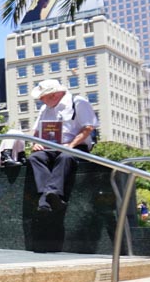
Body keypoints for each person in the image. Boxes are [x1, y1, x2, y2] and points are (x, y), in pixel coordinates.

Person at [29, 79, 99, 212]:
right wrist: (36, 142)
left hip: (75, 146)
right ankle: (49, 196)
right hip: (50, 147)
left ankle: (48, 197)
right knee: (35, 158)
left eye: (42, 97)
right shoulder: (45, 108)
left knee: (65, 157)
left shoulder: (78, 102)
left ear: (54, 95)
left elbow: (88, 127)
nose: (41, 100)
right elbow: (36, 131)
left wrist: (71, 145)